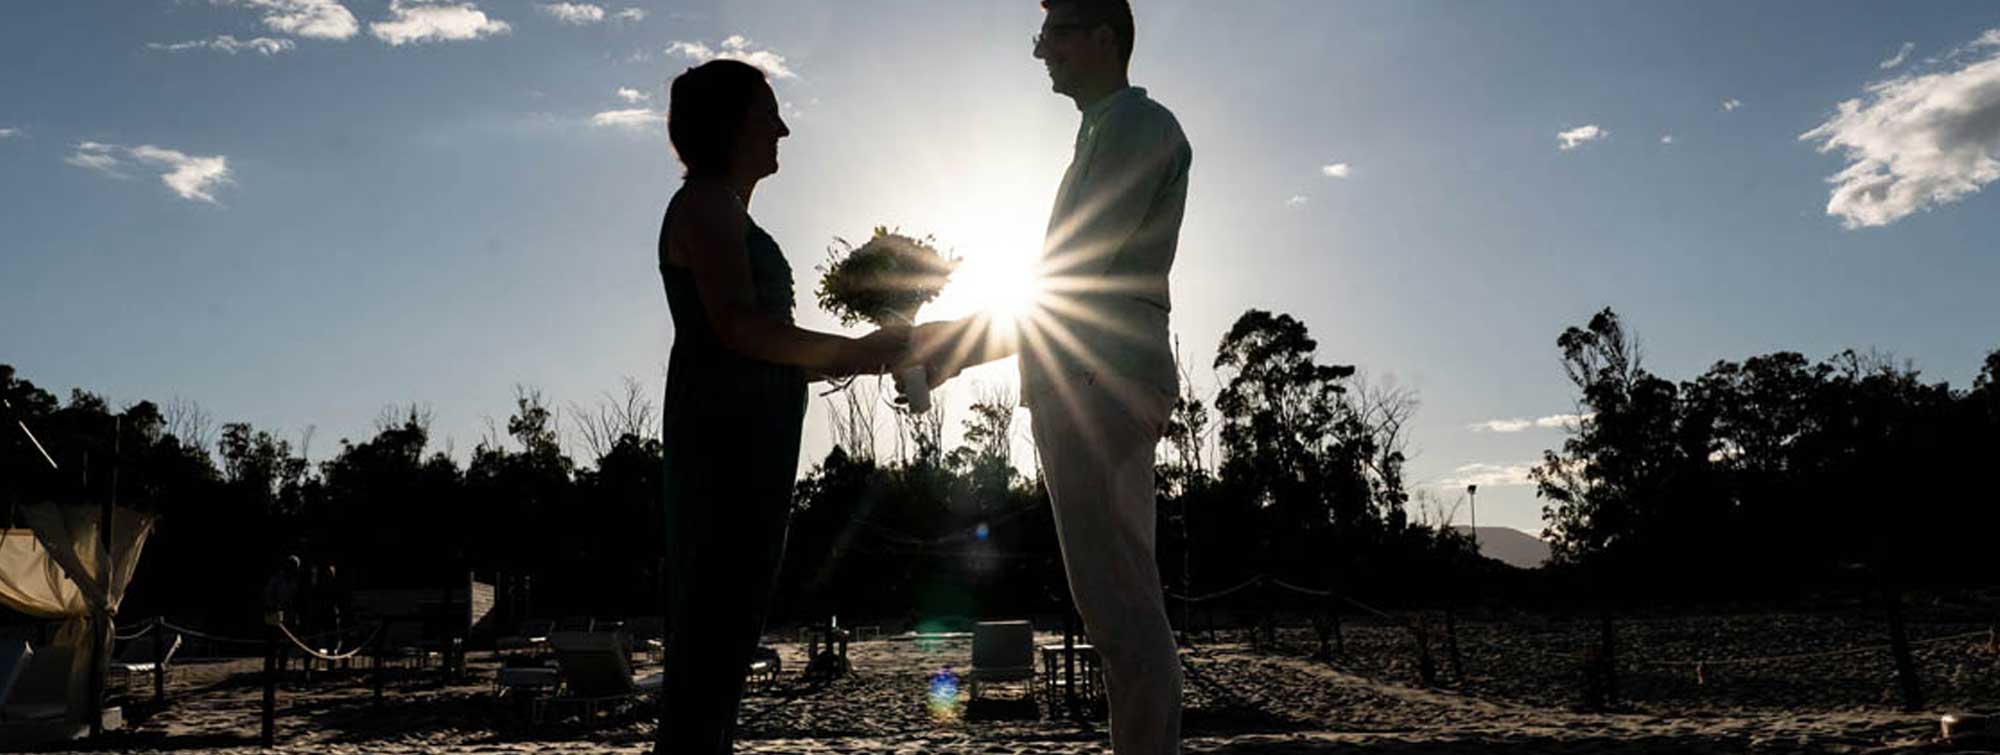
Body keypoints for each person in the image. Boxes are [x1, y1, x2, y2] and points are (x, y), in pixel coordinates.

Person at [912, 1, 1192, 752]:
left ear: (1105, 37)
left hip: (1099, 383)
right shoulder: (1102, 131)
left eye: (1056, 33)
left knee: (1121, 611)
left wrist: (951, 349)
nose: (1042, 52)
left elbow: (1071, 278)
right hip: (1088, 380)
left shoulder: (1138, 127)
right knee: (1115, 609)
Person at [655, 59, 913, 754]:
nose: (784, 128)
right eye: (770, 113)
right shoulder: (706, 205)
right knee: (710, 638)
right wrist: (856, 352)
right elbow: (739, 327)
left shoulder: (727, 208)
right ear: (735, 124)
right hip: (724, 439)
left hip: (756, 436)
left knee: (728, 638)